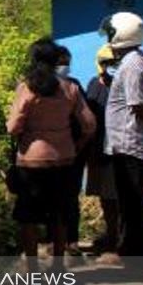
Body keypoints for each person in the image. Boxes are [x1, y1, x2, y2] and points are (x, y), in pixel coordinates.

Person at [7, 38, 95, 269]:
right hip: (63, 160)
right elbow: (89, 125)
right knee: (59, 214)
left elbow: (13, 127)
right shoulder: (70, 88)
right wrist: (76, 146)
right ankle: (57, 265)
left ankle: (33, 266)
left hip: (30, 163)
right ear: (56, 60)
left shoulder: (26, 88)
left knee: (28, 217)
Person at [102, 12, 143, 258]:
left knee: (134, 203)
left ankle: (142, 257)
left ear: (122, 34)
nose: (108, 39)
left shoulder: (133, 64)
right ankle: (128, 251)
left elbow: (138, 105)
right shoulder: (134, 62)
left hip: (130, 143)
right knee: (130, 202)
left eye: (111, 33)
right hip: (126, 143)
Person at [84, 45, 120, 257]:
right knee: (105, 196)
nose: (110, 67)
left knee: (118, 196)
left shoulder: (123, 85)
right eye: (107, 63)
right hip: (98, 149)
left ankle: (118, 239)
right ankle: (111, 235)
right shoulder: (93, 84)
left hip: (118, 148)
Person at [54, 45, 89, 255]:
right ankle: (54, 241)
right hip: (52, 154)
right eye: (60, 63)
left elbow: (87, 121)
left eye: (67, 63)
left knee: (70, 197)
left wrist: (79, 147)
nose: (64, 67)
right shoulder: (42, 87)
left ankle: (72, 241)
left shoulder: (74, 86)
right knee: (53, 199)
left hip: (73, 153)